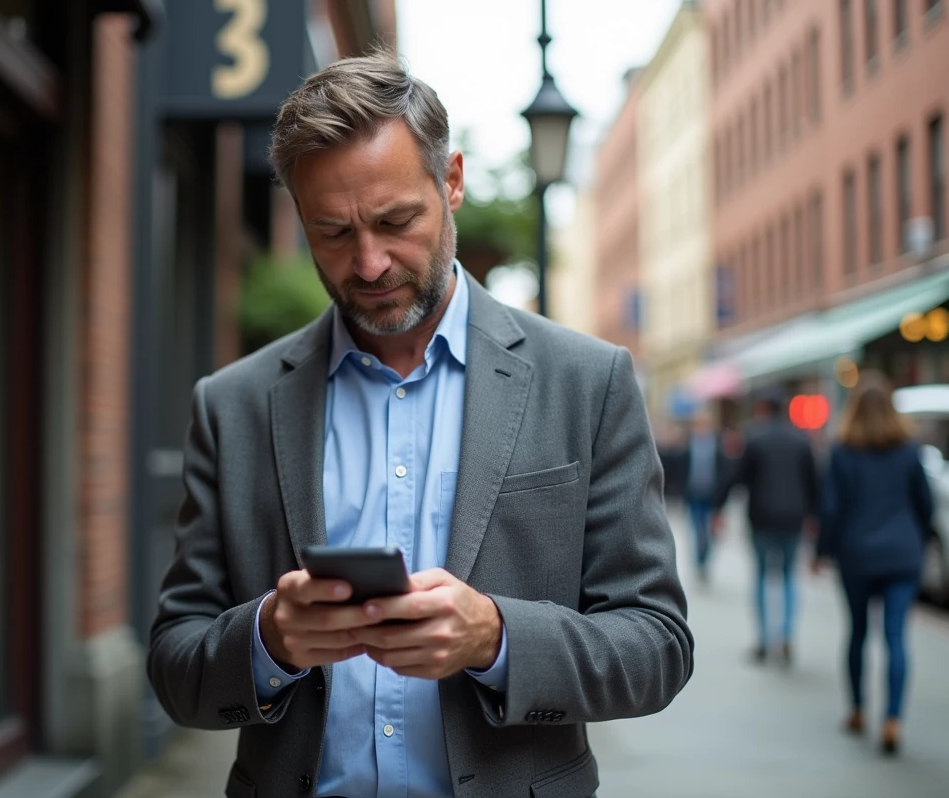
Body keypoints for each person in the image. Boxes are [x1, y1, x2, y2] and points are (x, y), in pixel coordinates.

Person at [147, 52, 693, 798]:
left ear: (454, 181)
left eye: (395, 220)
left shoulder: (586, 383)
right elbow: (176, 666)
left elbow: (657, 646)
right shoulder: (233, 405)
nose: (368, 263)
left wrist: (496, 638)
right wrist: (270, 638)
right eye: (332, 233)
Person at [813, 372, 934, 756]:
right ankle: (894, 718)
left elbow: (830, 509)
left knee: (858, 634)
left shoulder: (843, 450)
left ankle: (858, 710)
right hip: (902, 554)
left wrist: (821, 551)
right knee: (897, 637)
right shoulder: (908, 448)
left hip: (857, 555)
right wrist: (920, 539)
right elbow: (925, 504)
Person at [714, 388, 818, 664]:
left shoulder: (754, 437)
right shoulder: (801, 439)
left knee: (761, 575)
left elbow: (736, 476)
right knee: (787, 576)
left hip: (761, 517)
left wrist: (718, 507)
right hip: (793, 518)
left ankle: (762, 639)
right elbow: (814, 482)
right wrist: (814, 517)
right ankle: (785, 634)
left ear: (763, 408)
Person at [679, 410, 728, 582]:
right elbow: (681, 468)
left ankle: (705, 559)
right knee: (698, 529)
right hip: (693, 494)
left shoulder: (717, 445)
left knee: (709, 533)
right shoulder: (689, 444)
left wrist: (722, 498)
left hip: (711, 495)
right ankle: (699, 562)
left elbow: (723, 471)